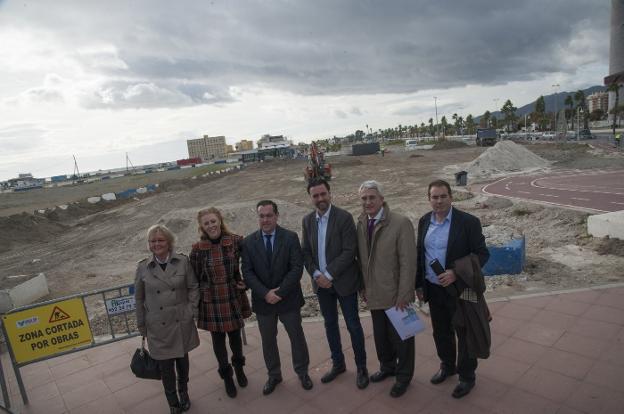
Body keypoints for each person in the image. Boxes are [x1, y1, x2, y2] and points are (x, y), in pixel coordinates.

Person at [415, 179, 490, 399]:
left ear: (451, 197)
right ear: (429, 199)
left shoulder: (468, 222)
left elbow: (482, 254)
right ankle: (447, 366)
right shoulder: (423, 222)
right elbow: (420, 254)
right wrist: (418, 284)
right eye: (434, 197)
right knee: (441, 331)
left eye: (442, 196)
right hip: (433, 288)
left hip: (461, 288)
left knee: (465, 331)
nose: (438, 201)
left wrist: (456, 272)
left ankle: (467, 376)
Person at [301, 178, 369, 389]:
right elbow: (306, 252)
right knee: (330, 325)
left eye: (323, 194)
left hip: (344, 282)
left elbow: (349, 251)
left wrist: (328, 275)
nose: (320, 199)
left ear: (330, 194)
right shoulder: (307, 221)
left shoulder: (344, 217)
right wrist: (316, 274)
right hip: (321, 286)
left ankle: (361, 368)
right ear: (311, 198)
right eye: (315, 195)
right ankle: (338, 364)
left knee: (353, 325)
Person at [241, 200, 313, 395]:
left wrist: (279, 293)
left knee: (296, 337)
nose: (265, 219)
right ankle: (274, 375)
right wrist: (266, 293)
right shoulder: (248, 242)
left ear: (276, 216)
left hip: (288, 299)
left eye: (269, 215)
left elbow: (296, 268)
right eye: (261, 216)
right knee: (268, 341)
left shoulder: (290, 237)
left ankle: (303, 371)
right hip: (263, 302)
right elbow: (247, 272)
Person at [355, 180, 416, 398]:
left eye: (372, 197)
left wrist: (405, 294)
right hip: (374, 293)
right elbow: (361, 260)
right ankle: (388, 367)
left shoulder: (400, 223)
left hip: (397, 294)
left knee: (404, 339)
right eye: (364, 198)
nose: (368, 202)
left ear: (382, 199)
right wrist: (362, 286)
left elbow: (408, 262)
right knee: (381, 337)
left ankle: (404, 376)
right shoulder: (361, 223)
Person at [135, 224, 199, 414]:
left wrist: (191, 310)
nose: (157, 244)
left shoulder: (182, 262)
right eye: (153, 241)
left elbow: (193, 287)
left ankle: (184, 393)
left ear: (169, 242)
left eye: (160, 240)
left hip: (181, 321)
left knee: (182, 363)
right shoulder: (142, 267)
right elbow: (139, 298)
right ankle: (173, 402)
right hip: (157, 326)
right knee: (166, 368)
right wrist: (141, 323)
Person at [189, 207, 252, 398]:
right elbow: (194, 277)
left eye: (213, 221)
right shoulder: (197, 250)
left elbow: (250, 264)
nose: (211, 225)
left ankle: (239, 369)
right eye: (207, 223)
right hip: (212, 302)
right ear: (202, 227)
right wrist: (201, 294)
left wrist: (246, 283)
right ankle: (227, 377)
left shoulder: (235, 241)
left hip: (232, 297)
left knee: (235, 339)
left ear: (220, 221)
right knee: (218, 342)